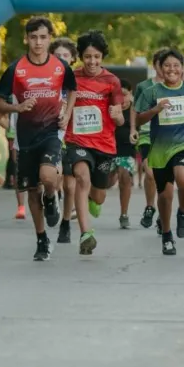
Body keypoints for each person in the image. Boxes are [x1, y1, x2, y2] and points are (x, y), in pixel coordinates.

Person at [0, 16, 76, 261]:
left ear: (49, 39)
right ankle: (42, 239)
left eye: (43, 37)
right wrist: (16, 109)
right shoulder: (16, 69)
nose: (38, 42)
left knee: (48, 177)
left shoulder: (60, 67)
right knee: (32, 192)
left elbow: (73, 89)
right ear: (27, 39)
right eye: (33, 38)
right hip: (25, 136)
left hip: (51, 131)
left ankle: (51, 197)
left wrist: (67, 114)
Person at [135, 48, 184, 254]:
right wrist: (155, 111)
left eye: (176, 65)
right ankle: (167, 235)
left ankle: (183, 211)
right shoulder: (152, 92)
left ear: (182, 68)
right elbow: (139, 118)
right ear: (160, 68)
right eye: (167, 65)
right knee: (165, 196)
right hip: (160, 149)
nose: (172, 69)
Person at [62, 30, 124, 254]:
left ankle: (92, 200)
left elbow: (119, 118)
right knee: (81, 177)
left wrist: (117, 115)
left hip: (105, 144)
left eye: (96, 57)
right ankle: (86, 233)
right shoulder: (72, 78)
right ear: (80, 56)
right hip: (77, 140)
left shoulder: (112, 81)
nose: (92, 61)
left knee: (99, 193)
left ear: (102, 57)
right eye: (87, 56)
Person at [50, 37, 79, 244]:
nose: (61, 59)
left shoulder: (78, 79)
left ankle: (66, 222)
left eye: (65, 56)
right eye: (57, 55)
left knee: (70, 186)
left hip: (76, 136)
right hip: (52, 133)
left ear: (73, 59)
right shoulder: (45, 77)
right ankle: (52, 199)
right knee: (53, 175)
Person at [134, 50, 163, 230]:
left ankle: (161, 212)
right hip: (146, 134)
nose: (166, 69)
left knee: (163, 176)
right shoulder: (144, 87)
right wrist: (132, 129)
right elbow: (134, 109)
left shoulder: (178, 87)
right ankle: (150, 205)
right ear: (155, 66)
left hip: (168, 137)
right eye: (162, 65)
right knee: (150, 172)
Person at [109, 79, 138, 228]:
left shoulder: (135, 109)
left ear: (131, 94)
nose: (122, 99)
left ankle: (124, 214)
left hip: (127, 150)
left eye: (125, 95)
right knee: (107, 182)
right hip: (107, 149)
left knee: (125, 176)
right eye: (119, 95)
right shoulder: (110, 107)